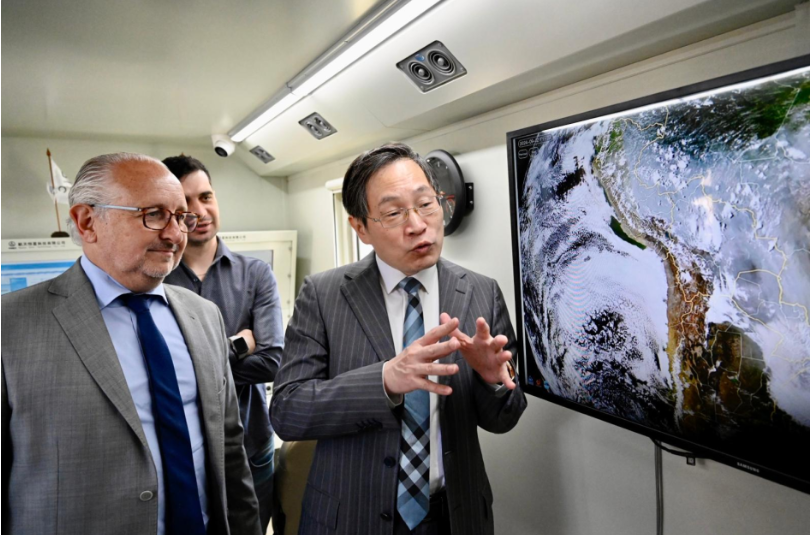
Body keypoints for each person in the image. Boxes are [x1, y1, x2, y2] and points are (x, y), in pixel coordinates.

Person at [270, 142, 527, 535]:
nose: (417, 225)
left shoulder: (480, 292)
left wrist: (493, 381)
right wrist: (385, 380)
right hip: (350, 516)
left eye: (426, 204)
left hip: (453, 516)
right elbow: (288, 412)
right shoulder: (324, 295)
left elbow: (503, 419)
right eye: (393, 213)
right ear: (361, 228)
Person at [1, 153, 261, 535]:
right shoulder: (12, 324)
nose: (175, 235)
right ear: (87, 221)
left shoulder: (204, 317)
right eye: (153, 214)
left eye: (181, 217)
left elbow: (229, 448)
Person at [162, 154, 283, 532]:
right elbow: (163, 368)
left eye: (207, 196)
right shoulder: (156, 282)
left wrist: (195, 366)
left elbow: (272, 361)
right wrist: (237, 346)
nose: (200, 211)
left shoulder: (256, 274)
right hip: (183, 450)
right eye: (186, 203)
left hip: (251, 444)